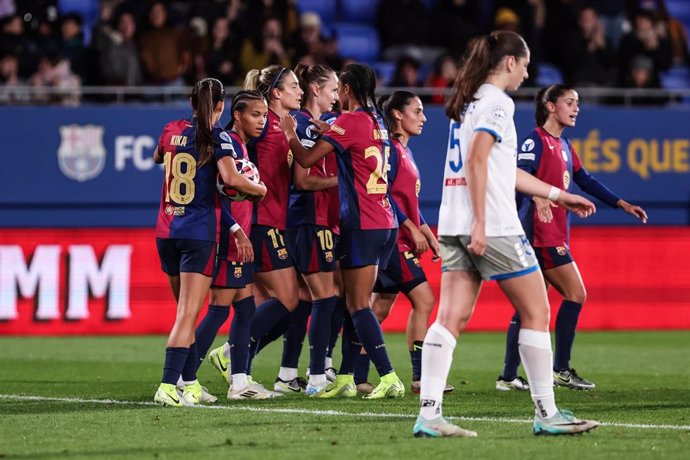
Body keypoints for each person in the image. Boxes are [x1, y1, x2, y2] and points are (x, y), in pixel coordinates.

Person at [413, 31, 600, 437]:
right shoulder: (498, 103)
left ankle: (429, 414)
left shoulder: (469, 102)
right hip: (492, 226)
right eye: (526, 63)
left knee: (450, 318)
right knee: (537, 311)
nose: (528, 72)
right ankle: (547, 413)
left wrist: (559, 194)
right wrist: (482, 221)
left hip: (453, 223)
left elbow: (501, 169)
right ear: (511, 61)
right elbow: (478, 159)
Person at [497, 84, 648, 392]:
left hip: (554, 232)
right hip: (540, 234)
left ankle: (509, 375)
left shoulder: (564, 145)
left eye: (577, 103)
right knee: (575, 293)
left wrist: (621, 204)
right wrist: (537, 197)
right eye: (570, 102)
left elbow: (585, 180)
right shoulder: (534, 140)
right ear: (551, 106)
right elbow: (517, 175)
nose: (576, 108)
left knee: (528, 306)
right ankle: (560, 370)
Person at [281, 63, 405, 399]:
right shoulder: (377, 121)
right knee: (353, 300)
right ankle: (347, 376)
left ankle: (388, 375)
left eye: (340, 88)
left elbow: (305, 161)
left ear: (347, 88)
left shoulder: (348, 122)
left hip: (361, 223)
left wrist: (291, 133)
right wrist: (327, 129)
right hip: (386, 222)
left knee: (358, 305)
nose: (338, 95)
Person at [152, 78, 266, 406]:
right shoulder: (218, 136)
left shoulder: (171, 128)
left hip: (167, 230)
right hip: (199, 232)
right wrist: (260, 190)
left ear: (191, 103)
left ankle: (188, 383)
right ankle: (167, 386)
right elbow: (230, 180)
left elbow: (158, 156)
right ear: (221, 107)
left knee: (182, 313)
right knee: (189, 314)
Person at [354, 91, 454, 396]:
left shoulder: (405, 151)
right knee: (423, 300)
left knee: (379, 308)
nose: (424, 117)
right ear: (397, 114)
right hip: (393, 239)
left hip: (401, 236)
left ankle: (355, 376)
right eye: (417, 111)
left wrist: (428, 234)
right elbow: (382, 193)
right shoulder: (392, 151)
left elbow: (409, 203)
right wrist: (412, 228)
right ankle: (420, 376)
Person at [192, 90, 276, 400]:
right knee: (218, 310)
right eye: (256, 115)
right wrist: (238, 230)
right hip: (229, 241)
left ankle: (239, 381)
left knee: (244, 308)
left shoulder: (240, 146)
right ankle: (184, 379)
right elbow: (216, 196)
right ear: (237, 114)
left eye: (265, 116)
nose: (262, 121)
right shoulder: (225, 142)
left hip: (238, 240)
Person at [238, 65, 304, 390]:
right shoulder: (263, 126)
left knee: (283, 307)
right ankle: (230, 356)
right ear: (276, 93)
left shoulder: (281, 125)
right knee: (289, 300)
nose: (300, 91)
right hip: (261, 222)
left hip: (274, 221)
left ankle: (241, 371)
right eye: (294, 85)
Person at [285, 63, 340, 395]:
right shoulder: (304, 127)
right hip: (308, 217)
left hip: (309, 218)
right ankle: (319, 373)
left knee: (305, 299)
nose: (336, 96)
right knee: (325, 298)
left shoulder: (314, 125)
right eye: (332, 90)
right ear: (316, 90)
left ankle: (286, 372)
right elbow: (302, 180)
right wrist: (342, 181)